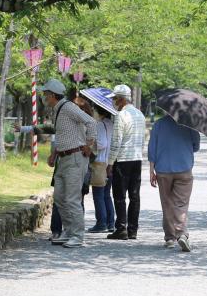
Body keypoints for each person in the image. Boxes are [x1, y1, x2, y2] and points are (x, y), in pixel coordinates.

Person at [27, 79, 97, 248]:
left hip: (75, 157)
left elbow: (91, 122)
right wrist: (54, 153)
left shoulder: (68, 107)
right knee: (59, 197)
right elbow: (60, 132)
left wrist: (89, 144)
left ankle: (77, 235)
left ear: (52, 95)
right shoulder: (58, 110)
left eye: (45, 94)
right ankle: (68, 230)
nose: (44, 97)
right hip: (63, 157)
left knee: (72, 198)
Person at [148, 114, 200, 252]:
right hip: (184, 168)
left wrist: (151, 171)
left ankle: (170, 238)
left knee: (167, 203)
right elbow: (196, 146)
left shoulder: (159, 124)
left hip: (162, 170)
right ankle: (182, 233)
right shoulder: (190, 124)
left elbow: (152, 148)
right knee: (181, 204)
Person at [106, 85, 146, 241]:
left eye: (115, 99)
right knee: (135, 195)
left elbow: (116, 141)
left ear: (121, 99)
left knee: (119, 195)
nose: (114, 102)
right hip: (136, 159)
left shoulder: (121, 116)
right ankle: (133, 229)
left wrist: (110, 163)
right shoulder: (140, 115)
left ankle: (121, 228)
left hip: (122, 159)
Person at [88, 104, 116, 233]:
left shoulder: (99, 124)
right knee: (106, 195)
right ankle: (111, 223)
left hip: (100, 162)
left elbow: (102, 143)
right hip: (110, 162)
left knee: (98, 195)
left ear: (99, 112)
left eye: (94, 110)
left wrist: (90, 143)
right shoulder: (112, 123)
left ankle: (101, 223)